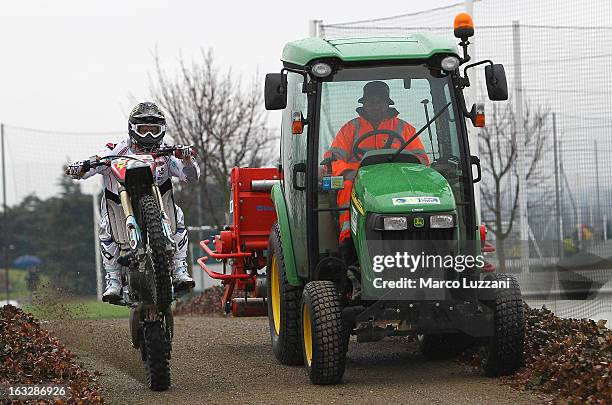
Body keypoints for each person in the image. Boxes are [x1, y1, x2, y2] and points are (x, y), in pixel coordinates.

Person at [66, 102, 200, 302]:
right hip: (119, 206)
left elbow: (191, 177)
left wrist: (187, 158)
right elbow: (89, 168)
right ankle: (113, 281)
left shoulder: (166, 153)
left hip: (158, 203)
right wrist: (82, 167)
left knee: (178, 216)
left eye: (153, 130)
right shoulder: (116, 149)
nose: (148, 135)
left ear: (162, 130)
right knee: (104, 227)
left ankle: (180, 269)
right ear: (132, 129)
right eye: (143, 130)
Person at [322, 81, 429, 261]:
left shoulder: (404, 129)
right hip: (359, 180)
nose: (375, 105)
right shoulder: (350, 129)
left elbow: (421, 160)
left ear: (388, 103)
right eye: (371, 101)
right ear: (363, 104)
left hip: (397, 181)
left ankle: (418, 239)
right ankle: (349, 240)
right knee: (347, 186)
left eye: (380, 101)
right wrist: (351, 172)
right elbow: (333, 160)